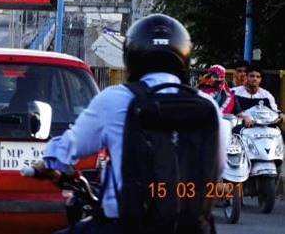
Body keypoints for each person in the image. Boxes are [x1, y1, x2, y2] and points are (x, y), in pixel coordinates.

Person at [42, 14, 227, 234]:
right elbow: (218, 165)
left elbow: (69, 149)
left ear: (132, 56)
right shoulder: (208, 106)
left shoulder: (114, 99)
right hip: (192, 227)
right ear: (184, 55)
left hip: (125, 225)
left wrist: (45, 163)